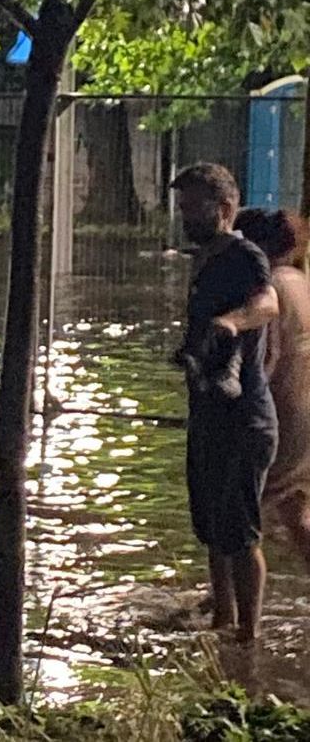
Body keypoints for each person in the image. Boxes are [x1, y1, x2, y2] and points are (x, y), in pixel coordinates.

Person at [171, 163, 278, 642]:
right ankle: (222, 624)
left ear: (226, 208)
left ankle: (248, 638)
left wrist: (232, 322)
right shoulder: (204, 258)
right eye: (183, 207)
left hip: (244, 415)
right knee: (213, 527)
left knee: (240, 532)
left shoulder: (244, 254)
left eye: (195, 207)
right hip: (208, 410)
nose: (186, 216)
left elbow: (268, 303)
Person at [234, 208, 310, 572]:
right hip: (306, 404)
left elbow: (269, 358)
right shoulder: (299, 279)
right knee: (295, 510)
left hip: (284, 408)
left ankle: (230, 606)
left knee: (236, 512)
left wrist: (239, 405)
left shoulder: (271, 287)